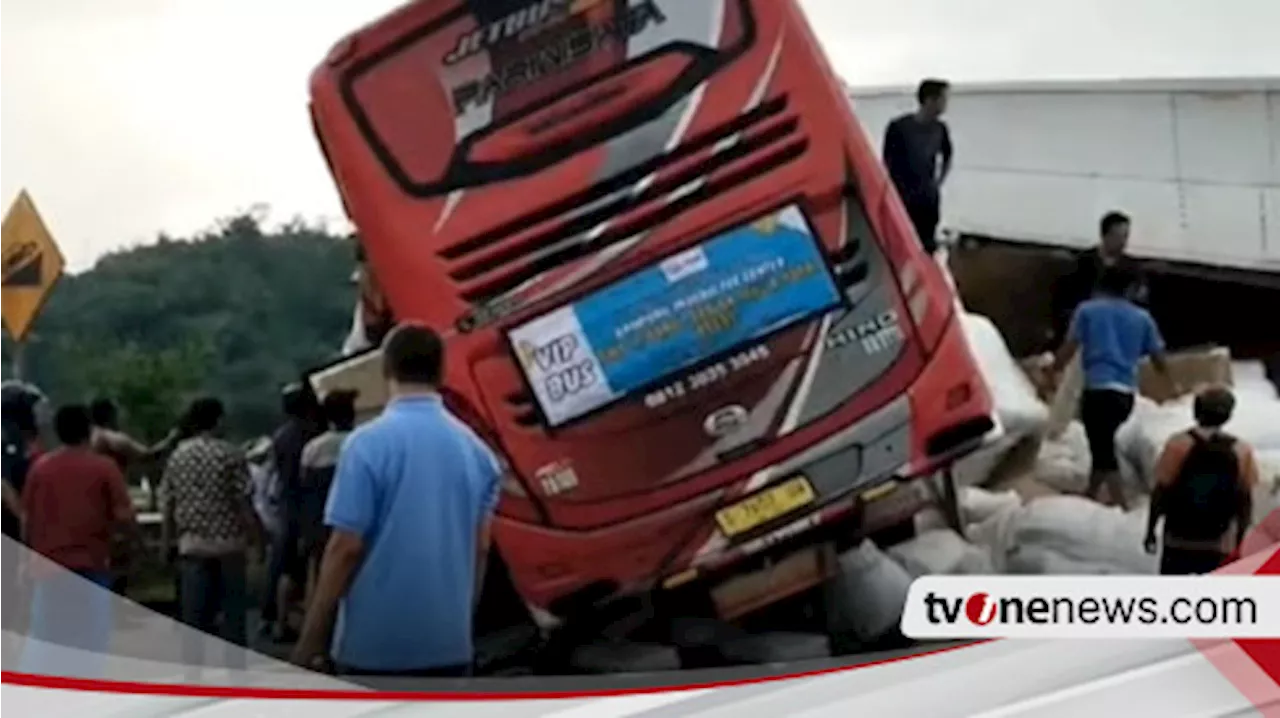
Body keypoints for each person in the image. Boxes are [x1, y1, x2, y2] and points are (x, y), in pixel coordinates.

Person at [292, 323, 500, 677]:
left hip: (375, 649)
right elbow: (480, 548)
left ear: (386, 369)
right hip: (449, 647)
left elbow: (346, 548)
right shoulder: (479, 454)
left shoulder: (366, 445)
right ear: (441, 370)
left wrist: (309, 644)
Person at [19, 405, 135, 677]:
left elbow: (27, 519)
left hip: (47, 569)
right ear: (89, 431)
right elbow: (124, 517)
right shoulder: (104, 468)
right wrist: (133, 547)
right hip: (90, 567)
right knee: (91, 643)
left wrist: (26, 559)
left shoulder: (40, 468)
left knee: (45, 641)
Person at [1050, 265, 1177, 510]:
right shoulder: (1142, 318)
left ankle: (1121, 504)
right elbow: (1159, 358)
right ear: (1131, 288)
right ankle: (1091, 492)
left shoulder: (1087, 311)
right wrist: (1172, 387)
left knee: (1103, 448)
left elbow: (1070, 347)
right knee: (1102, 443)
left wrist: (1053, 371)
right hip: (1125, 394)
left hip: (1097, 390)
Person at [161, 397, 261, 669]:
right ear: (217, 420)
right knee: (233, 617)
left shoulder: (178, 455)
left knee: (194, 618)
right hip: (229, 547)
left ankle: (194, 675)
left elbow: (168, 504)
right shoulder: (231, 454)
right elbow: (243, 503)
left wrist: (167, 543)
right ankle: (235, 675)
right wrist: (256, 539)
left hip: (192, 547)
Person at [1145, 386, 1258, 575]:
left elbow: (1161, 491)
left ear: (1196, 412)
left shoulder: (1177, 444)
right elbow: (1244, 498)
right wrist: (1239, 540)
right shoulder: (1241, 450)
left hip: (1177, 538)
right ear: (1228, 416)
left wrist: (1151, 530)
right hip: (1219, 542)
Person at [261, 383, 322, 642]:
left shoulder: (280, 436)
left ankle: (274, 619)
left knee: (283, 566)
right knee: (308, 566)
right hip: (310, 506)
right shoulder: (314, 434)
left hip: (286, 506)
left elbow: (274, 472)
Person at [1050, 211, 1149, 346]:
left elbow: (1140, 298)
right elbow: (1065, 299)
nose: (1123, 242)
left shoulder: (1131, 267)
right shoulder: (1083, 263)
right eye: (1118, 236)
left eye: (1126, 236)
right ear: (1105, 235)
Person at [298, 390, 358, 605]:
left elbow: (304, 486)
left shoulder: (314, 448)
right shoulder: (361, 442)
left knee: (321, 574)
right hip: (356, 524)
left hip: (320, 523)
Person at [883, 78, 954, 254]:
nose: (946, 104)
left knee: (927, 246)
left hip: (928, 200)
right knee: (902, 246)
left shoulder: (941, 129)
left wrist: (938, 182)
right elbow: (887, 160)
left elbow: (948, 155)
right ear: (930, 100)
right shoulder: (899, 127)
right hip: (904, 198)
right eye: (944, 99)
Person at [88, 398, 179, 473]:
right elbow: (148, 456)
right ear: (110, 415)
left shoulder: (86, 437)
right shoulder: (114, 439)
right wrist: (171, 439)